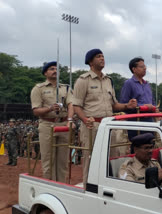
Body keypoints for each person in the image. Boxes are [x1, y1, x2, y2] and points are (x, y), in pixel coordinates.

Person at [72, 49, 137, 186]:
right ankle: (88, 188)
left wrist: (126, 106)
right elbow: (76, 105)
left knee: (111, 158)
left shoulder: (109, 81)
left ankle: (108, 187)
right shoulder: (83, 80)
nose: (102, 58)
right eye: (98, 56)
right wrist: (85, 120)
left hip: (108, 125)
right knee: (91, 159)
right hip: (92, 126)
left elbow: (114, 105)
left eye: (103, 56)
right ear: (90, 62)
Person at [30, 61, 74, 182]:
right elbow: (36, 110)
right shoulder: (38, 89)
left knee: (63, 161)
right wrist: (50, 108)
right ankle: (49, 187)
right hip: (47, 124)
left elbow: (71, 105)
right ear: (45, 73)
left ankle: (61, 185)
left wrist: (70, 120)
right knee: (48, 160)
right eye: (51, 69)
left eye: (56, 69)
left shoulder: (66, 88)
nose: (55, 71)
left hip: (64, 124)